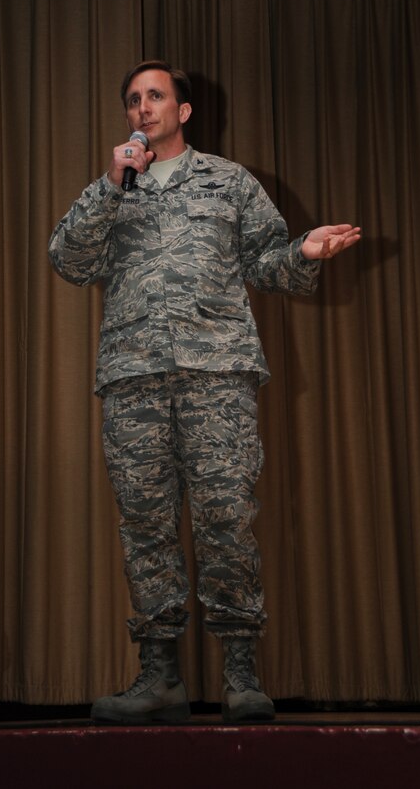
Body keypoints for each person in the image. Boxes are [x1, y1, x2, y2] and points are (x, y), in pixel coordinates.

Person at [49, 59, 360, 724]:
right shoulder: (114, 191)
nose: (142, 107)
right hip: (134, 377)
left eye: (155, 96)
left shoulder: (228, 182)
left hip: (218, 375)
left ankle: (241, 675)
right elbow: (67, 261)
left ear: (182, 111)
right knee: (146, 529)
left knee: (226, 519)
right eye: (133, 99)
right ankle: (159, 678)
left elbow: (266, 261)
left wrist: (303, 253)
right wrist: (109, 186)